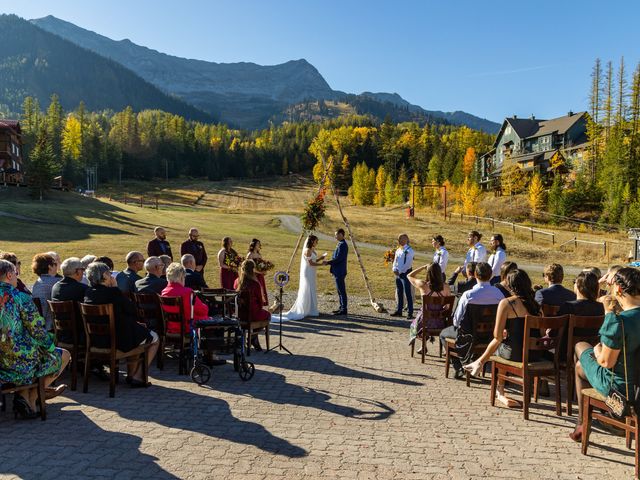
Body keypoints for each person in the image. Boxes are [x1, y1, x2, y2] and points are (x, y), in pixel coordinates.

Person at [570, 267, 640, 442]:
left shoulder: (619, 322)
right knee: (580, 365)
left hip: (621, 389)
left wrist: (597, 349)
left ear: (618, 289)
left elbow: (605, 362)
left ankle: (583, 422)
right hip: (637, 385)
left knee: (580, 346)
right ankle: (586, 422)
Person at [0, 259, 70, 418]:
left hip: (4, 361)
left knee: (34, 356)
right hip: (16, 361)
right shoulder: (21, 298)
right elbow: (37, 331)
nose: (17, 277)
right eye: (16, 274)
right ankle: (32, 398)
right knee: (62, 355)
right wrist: (50, 346)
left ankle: (27, 399)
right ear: (10, 275)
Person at [463, 269, 542, 407]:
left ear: (510, 286)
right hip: (535, 354)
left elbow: (497, 336)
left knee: (500, 342)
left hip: (515, 354)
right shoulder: (536, 305)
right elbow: (540, 333)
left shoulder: (507, 303)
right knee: (504, 341)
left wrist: (506, 333)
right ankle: (480, 364)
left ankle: (491, 379)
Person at [84, 262, 159, 386]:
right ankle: (139, 376)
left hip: (96, 340)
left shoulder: (88, 292)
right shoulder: (113, 293)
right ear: (105, 275)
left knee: (139, 334)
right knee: (154, 339)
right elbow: (132, 310)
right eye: (109, 273)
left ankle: (131, 375)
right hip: (117, 340)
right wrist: (115, 288)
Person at [440, 262, 504, 379]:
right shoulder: (499, 294)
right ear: (490, 276)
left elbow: (457, 321)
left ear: (475, 274)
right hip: (491, 336)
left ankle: (459, 366)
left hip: (469, 335)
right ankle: (474, 361)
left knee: (444, 334)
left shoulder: (468, 295)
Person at [160, 263, 225, 365]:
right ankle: (210, 355)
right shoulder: (187, 292)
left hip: (171, 327)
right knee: (213, 323)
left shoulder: (164, 292)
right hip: (187, 326)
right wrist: (205, 307)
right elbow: (202, 310)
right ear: (181, 277)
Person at [277, 235, 325, 321]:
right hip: (308, 271)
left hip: (312, 271)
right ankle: (305, 308)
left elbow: (313, 261)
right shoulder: (307, 250)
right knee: (307, 288)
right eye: (316, 241)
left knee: (311, 288)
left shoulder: (312, 250)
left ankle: (311, 308)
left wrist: (320, 258)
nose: (317, 243)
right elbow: (310, 264)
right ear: (312, 241)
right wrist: (322, 264)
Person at [407, 262, 452, 354]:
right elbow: (447, 307)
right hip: (440, 322)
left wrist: (423, 267)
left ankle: (423, 346)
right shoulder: (446, 287)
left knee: (415, 323)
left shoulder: (423, 285)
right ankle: (444, 348)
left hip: (424, 321)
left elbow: (409, 275)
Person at [234, 260, 271, 351]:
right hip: (252, 313)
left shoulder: (237, 282)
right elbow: (260, 303)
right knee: (268, 315)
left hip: (240, 314)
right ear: (253, 270)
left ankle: (253, 338)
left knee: (262, 314)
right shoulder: (255, 284)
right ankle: (253, 337)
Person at [51, 257, 88, 342]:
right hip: (79, 334)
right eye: (82, 269)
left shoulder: (55, 287)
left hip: (61, 332)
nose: (83, 272)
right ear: (77, 271)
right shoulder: (82, 289)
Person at [324, 228, 349, 315]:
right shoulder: (340, 244)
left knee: (341, 290)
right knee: (339, 290)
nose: (335, 236)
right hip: (337, 270)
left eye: (336, 235)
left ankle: (344, 308)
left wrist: (328, 262)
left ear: (341, 235)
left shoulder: (343, 245)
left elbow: (338, 259)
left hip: (340, 271)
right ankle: (341, 306)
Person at [31, 253, 59, 330]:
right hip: (53, 325)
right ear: (50, 266)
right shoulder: (57, 282)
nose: (57, 266)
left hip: (40, 325)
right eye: (55, 264)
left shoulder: (37, 283)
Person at [390, 234, 415, 319]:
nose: (399, 240)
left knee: (407, 293)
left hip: (405, 273)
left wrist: (400, 271)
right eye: (398, 239)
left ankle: (410, 312)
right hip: (398, 273)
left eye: (401, 238)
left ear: (406, 239)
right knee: (399, 292)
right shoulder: (398, 250)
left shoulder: (409, 250)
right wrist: (394, 269)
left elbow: (408, 264)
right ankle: (399, 310)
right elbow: (395, 260)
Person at [246, 238, 268, 306]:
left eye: (259, 244)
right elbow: (249, 267)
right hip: (253, 276)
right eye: (258, 244)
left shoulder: (259, 255)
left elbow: (261, 265)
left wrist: (264, 270)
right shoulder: (250, 255)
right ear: (254, 245)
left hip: (260, 275)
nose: (259, 245)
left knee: (261, 288)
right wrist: (260, 272)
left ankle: (262, 304)